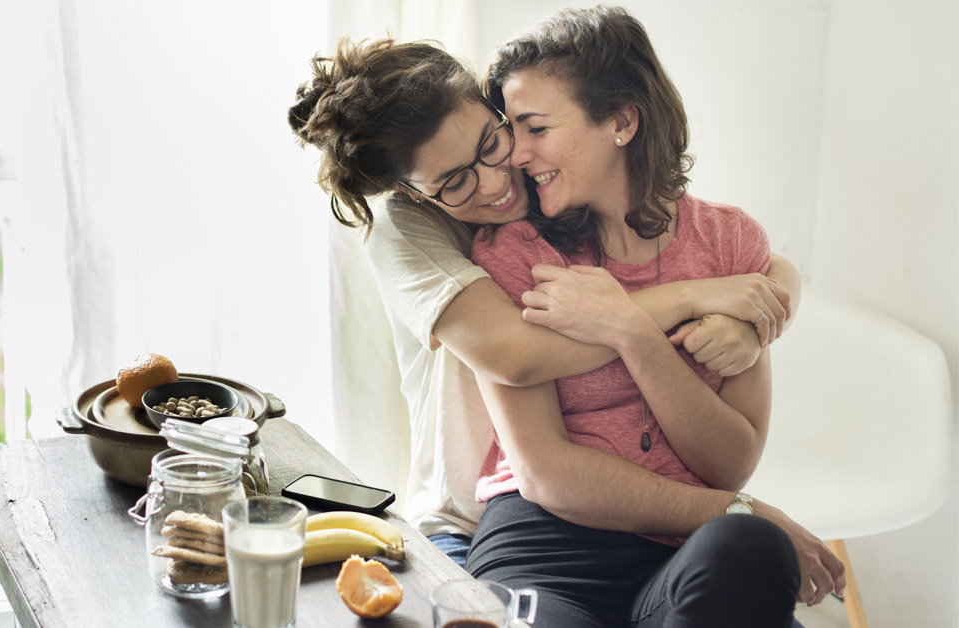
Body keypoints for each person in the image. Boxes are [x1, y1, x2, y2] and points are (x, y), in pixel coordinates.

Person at [287, 30, 833, 623]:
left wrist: (752, 315)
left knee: (747, 550)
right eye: (453, 183)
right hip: (504, 523)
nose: (499, 179)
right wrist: (666, 308)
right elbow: (518, 362)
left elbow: (763, 279)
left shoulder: (718, 240)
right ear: (414, 193)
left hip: (674, 547)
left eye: (507, 137)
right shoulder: (450, 236)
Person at [440, 6, 842, 626]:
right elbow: (549, 477)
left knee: (749, 550)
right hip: (547, 544)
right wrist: (742, 509)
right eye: (510, 130)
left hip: (683, 561)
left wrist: (629, 329)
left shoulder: (730, 247)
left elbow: (730, 463)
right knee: (747, 532)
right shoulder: (515, 251)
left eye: (536, 128)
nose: (515, 155)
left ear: (621, 121)